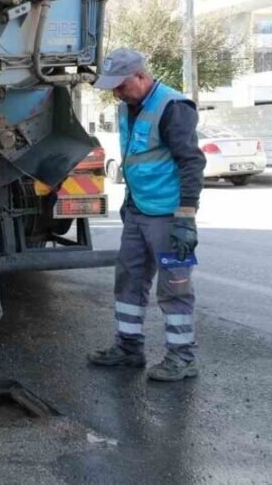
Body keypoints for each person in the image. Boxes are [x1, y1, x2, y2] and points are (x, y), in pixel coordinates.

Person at [87, 48, 205, 382]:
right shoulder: (128, 107)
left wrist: (186, 217)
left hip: (170, 218)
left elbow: (191, 163)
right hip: (139, 213)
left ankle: (182, 358)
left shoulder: (173, 107)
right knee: (129, 280)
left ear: (141, 76)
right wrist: (129, 201)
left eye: (121, 85)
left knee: (175, 287)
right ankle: (128, 348)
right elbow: (137, 159)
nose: (116, 92)